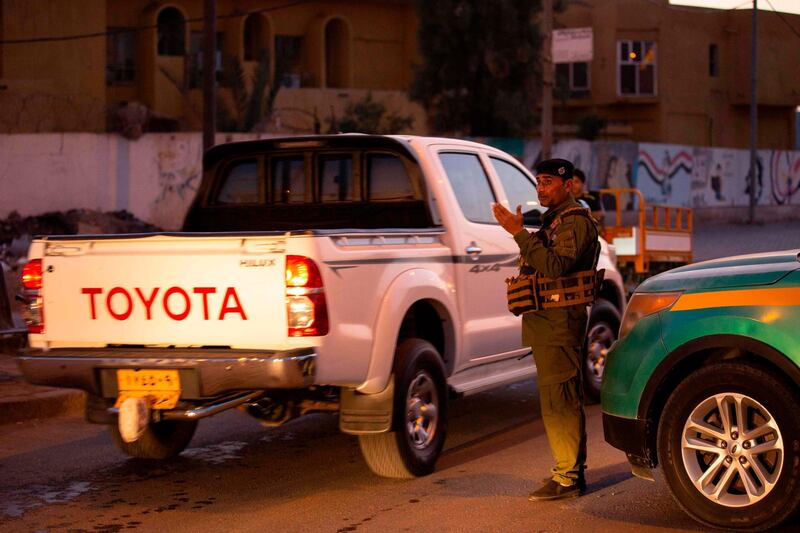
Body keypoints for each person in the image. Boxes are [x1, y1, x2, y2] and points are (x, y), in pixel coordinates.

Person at [492, 158, 600, 502]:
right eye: (538, 181)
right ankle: (567, 471)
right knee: (556, 400)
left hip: (559, 323)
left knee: (561, 401)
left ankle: (568, 477)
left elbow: (554, 267)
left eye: (548, 181)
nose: (541, 188)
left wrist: (519, 233)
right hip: (546, 323)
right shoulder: (554, 221)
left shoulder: (575, 223)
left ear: (568, 186)